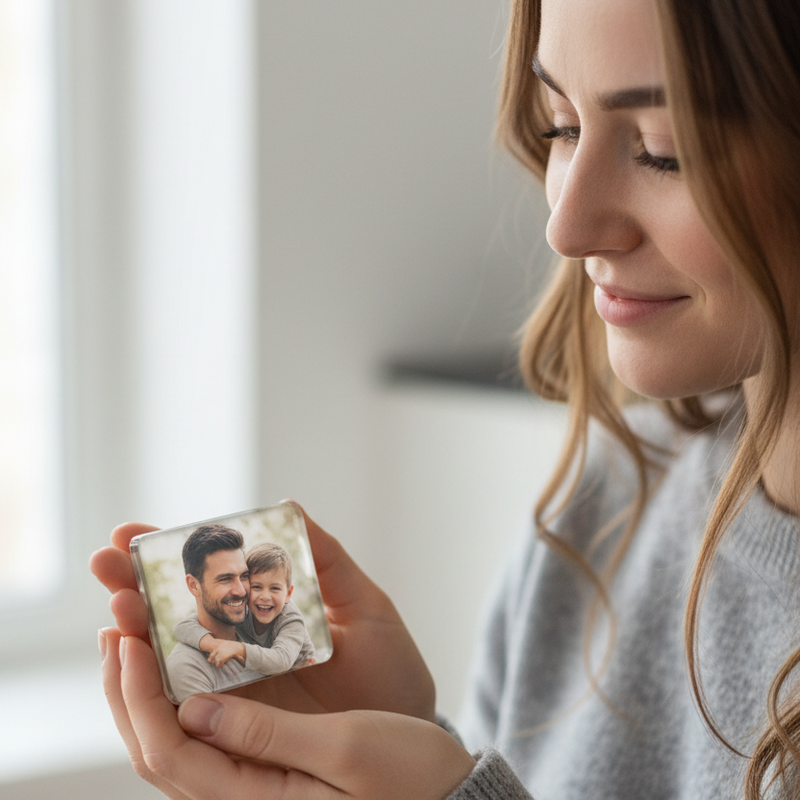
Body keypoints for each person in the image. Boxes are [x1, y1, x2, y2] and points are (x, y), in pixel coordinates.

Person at [88, 0, 800, 796]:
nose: (565, 226)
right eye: (561, 125)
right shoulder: (595, 522)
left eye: (663, 152)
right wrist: (413, 745)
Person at [173, 542, 316, 676]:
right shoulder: (242, 611)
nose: (265, 596)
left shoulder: (291, 620)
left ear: (288, 594)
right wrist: (215, 645)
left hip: (300, 671)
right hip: (268, 674)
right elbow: (182, 627)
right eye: (256, 587)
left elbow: (281, 660)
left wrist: (238, 648)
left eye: (275, 588)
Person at [165, 524, 263, 703]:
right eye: (226, 579)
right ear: (194, 586)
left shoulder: (261, 630)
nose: (241, 591)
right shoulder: (187, 666)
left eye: (244, 576)